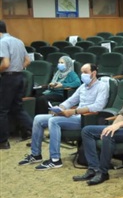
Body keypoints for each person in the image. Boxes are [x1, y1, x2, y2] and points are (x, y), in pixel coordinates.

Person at [19, 63, 109, 170]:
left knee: (54, 121)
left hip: (86, 119)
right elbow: (70, 101)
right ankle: (36, 154)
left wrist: (74, 111)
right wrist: (60, 108)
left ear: (93, 73)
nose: (82, 75)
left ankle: (55, 159)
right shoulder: (82, 87)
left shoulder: (102, 86)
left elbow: (98, 106)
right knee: (38, 119)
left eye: (85, 72)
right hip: (76, 115)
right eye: (81, 72)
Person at [0, 20, 34, 149]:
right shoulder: (18, 41)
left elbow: (5, 64)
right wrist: (17, 69)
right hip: (20, 77)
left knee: (2, 110)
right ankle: (34, 130)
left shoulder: (2, 42)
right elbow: (28, 60)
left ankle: (3, 141)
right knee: (17, 108)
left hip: (8, 78)